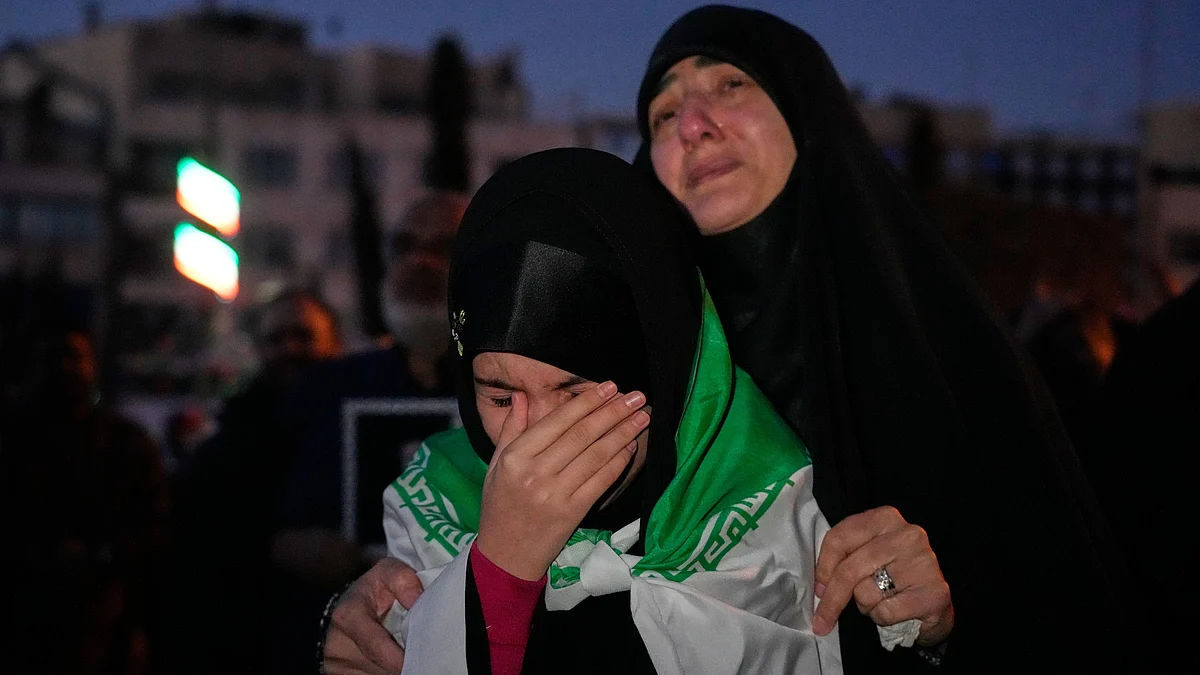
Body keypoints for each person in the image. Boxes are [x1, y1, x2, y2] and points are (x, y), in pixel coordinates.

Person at [323, 6, 1138, 673]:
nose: (696, 125)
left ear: (811, 114)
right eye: (664, 112)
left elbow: (1063, 609)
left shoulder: (946, 355)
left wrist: (941, 623)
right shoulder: (603, 342)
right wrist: (408, 611)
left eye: (731, 84)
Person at [384, 147, 939, 674]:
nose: (530, 440)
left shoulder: (784, 507)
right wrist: (498, 572)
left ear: (664, 375)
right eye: (500, 398)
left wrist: (924, 630)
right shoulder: (434, 504)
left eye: (576, 394)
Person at [162, 289, 343, 675]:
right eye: (274, 339)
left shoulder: (362, 427)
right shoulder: (231, 442)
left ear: (336, 344)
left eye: (303, 336)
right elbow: (195, 544)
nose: (288, 349)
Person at [0, 326, 169, 675]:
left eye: (74, 357)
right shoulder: (14, 439)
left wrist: (104, 555)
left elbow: (154, 528)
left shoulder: (126, 444)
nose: (64, 368)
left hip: (103, 617)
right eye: (54, 357)